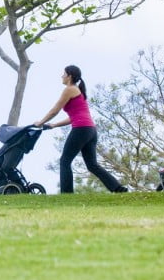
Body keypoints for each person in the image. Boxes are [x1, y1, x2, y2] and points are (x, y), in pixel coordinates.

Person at [35, 65, 127, 193]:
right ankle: (119, 189)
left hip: (81, 129)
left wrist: (41, 122)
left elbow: (54, 110)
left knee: (64, 161)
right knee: (92, 165)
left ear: (70, 76)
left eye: (64, 74)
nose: (62, 76)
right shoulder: (78, 91)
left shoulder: (70, 89)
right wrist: (54, 125)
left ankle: (67, 194)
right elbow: (74, 117)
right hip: (90, 130)